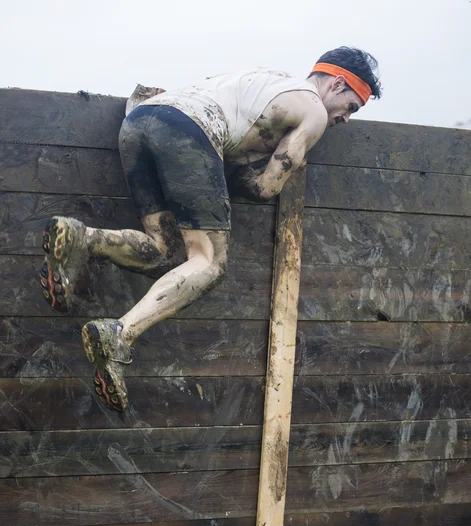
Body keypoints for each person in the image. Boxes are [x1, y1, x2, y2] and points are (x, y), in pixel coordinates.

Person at [40, 46, 382, 412]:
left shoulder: (267, 77)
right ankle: (119, 335)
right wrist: (242, 178)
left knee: (166, 251)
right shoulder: (313, 111)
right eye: (352, 107)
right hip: (189, 132)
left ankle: (82, 238)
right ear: (339, 83)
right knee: (210, 261)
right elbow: (267, 188)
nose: (346, 118)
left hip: (138, 122)